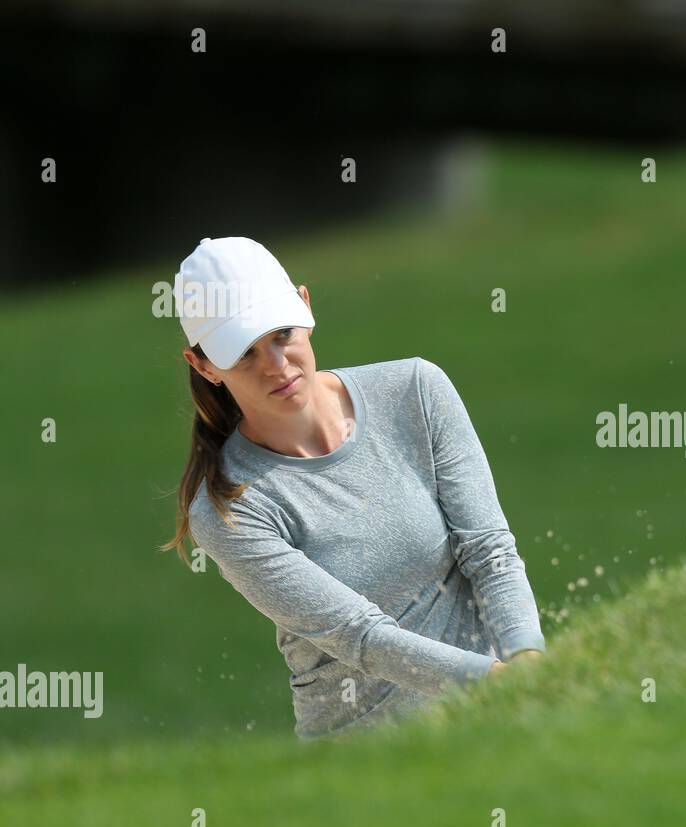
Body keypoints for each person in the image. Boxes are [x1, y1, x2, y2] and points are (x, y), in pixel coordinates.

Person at [160, 236, 545, 740]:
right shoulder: (228, 506)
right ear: (203, 366)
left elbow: (489, 550)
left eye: (281, 335)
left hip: (499, 719)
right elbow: (360, 635)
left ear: (305, 304)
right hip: (363, 760)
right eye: (245, 355)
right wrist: (502, 682)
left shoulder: (416, 390)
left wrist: (530, 663)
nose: (276, 365)